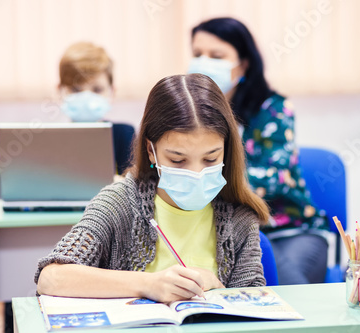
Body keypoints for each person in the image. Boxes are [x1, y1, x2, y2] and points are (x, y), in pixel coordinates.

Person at [35, 73, 270, 303]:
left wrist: (219, 290)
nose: (196, 174)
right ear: (151, 150)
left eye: (210, 159)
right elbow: (52, 277)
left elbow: (253, 305)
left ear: (227, 150)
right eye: (177, 160)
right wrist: (150, 284)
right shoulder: (119, 203)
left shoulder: (239, 216)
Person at [188, 17, 329, 285]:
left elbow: (273, 178)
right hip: (223, 231)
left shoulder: (273, 109)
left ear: (244, 63)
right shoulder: (193, 113)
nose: (204, 62)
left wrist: (206, 180)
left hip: (289, 231)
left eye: (216, 55)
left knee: (285, 289)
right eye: (197, 54)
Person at [58, 41, 135, 174]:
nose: (86, 97)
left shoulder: (124, 135)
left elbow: (135, 187)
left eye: (97, 89)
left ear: (112, 92)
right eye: (76, 89)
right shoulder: (51, 139)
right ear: (61, 92)